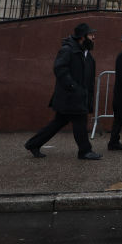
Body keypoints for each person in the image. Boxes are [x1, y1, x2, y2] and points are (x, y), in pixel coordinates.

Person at [24, 22, 101, 160]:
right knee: (80, 123)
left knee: (57, 123)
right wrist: (73, 87)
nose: (93, 37)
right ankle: (84, 151)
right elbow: (60, 69)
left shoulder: (87, 54)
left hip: (78, 97)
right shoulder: (68, 50)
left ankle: (33, 144)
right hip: (70, 96)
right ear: (82, 37)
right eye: (91, 35)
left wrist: (86, 95)